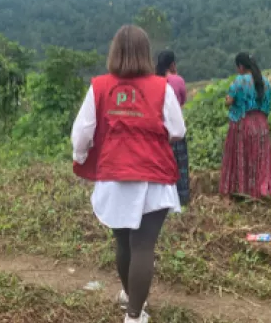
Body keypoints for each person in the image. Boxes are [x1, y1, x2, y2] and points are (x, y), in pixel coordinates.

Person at [72, 25, 185, 323]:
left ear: (115, 51)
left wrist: (80, 156)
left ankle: (129, 295)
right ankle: (134, 315)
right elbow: (178, 131)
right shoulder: (162, 88)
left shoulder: (99, 86)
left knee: (123, 243)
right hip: (154, 177)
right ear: (146, 53)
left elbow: (82, 133)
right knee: (144, 246)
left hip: (114, 176)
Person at [219, 52, 271, 200]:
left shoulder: (240, 81)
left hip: (244, 123)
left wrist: (227, 100)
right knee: (259, 158)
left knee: (242, 156)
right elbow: (268, 104)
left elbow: (229, 101)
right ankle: (261, 190)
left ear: (241, 67)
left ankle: (243, 190)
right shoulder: (265, 82)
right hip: (262, 125)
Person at [156, 50, 190, 206]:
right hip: (175, 128)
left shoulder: (154, 81)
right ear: (172, 64)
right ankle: (182, 197)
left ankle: (163, 199)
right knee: (180, 164)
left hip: (159, 130)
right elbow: (182, 101)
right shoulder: (178, 80)